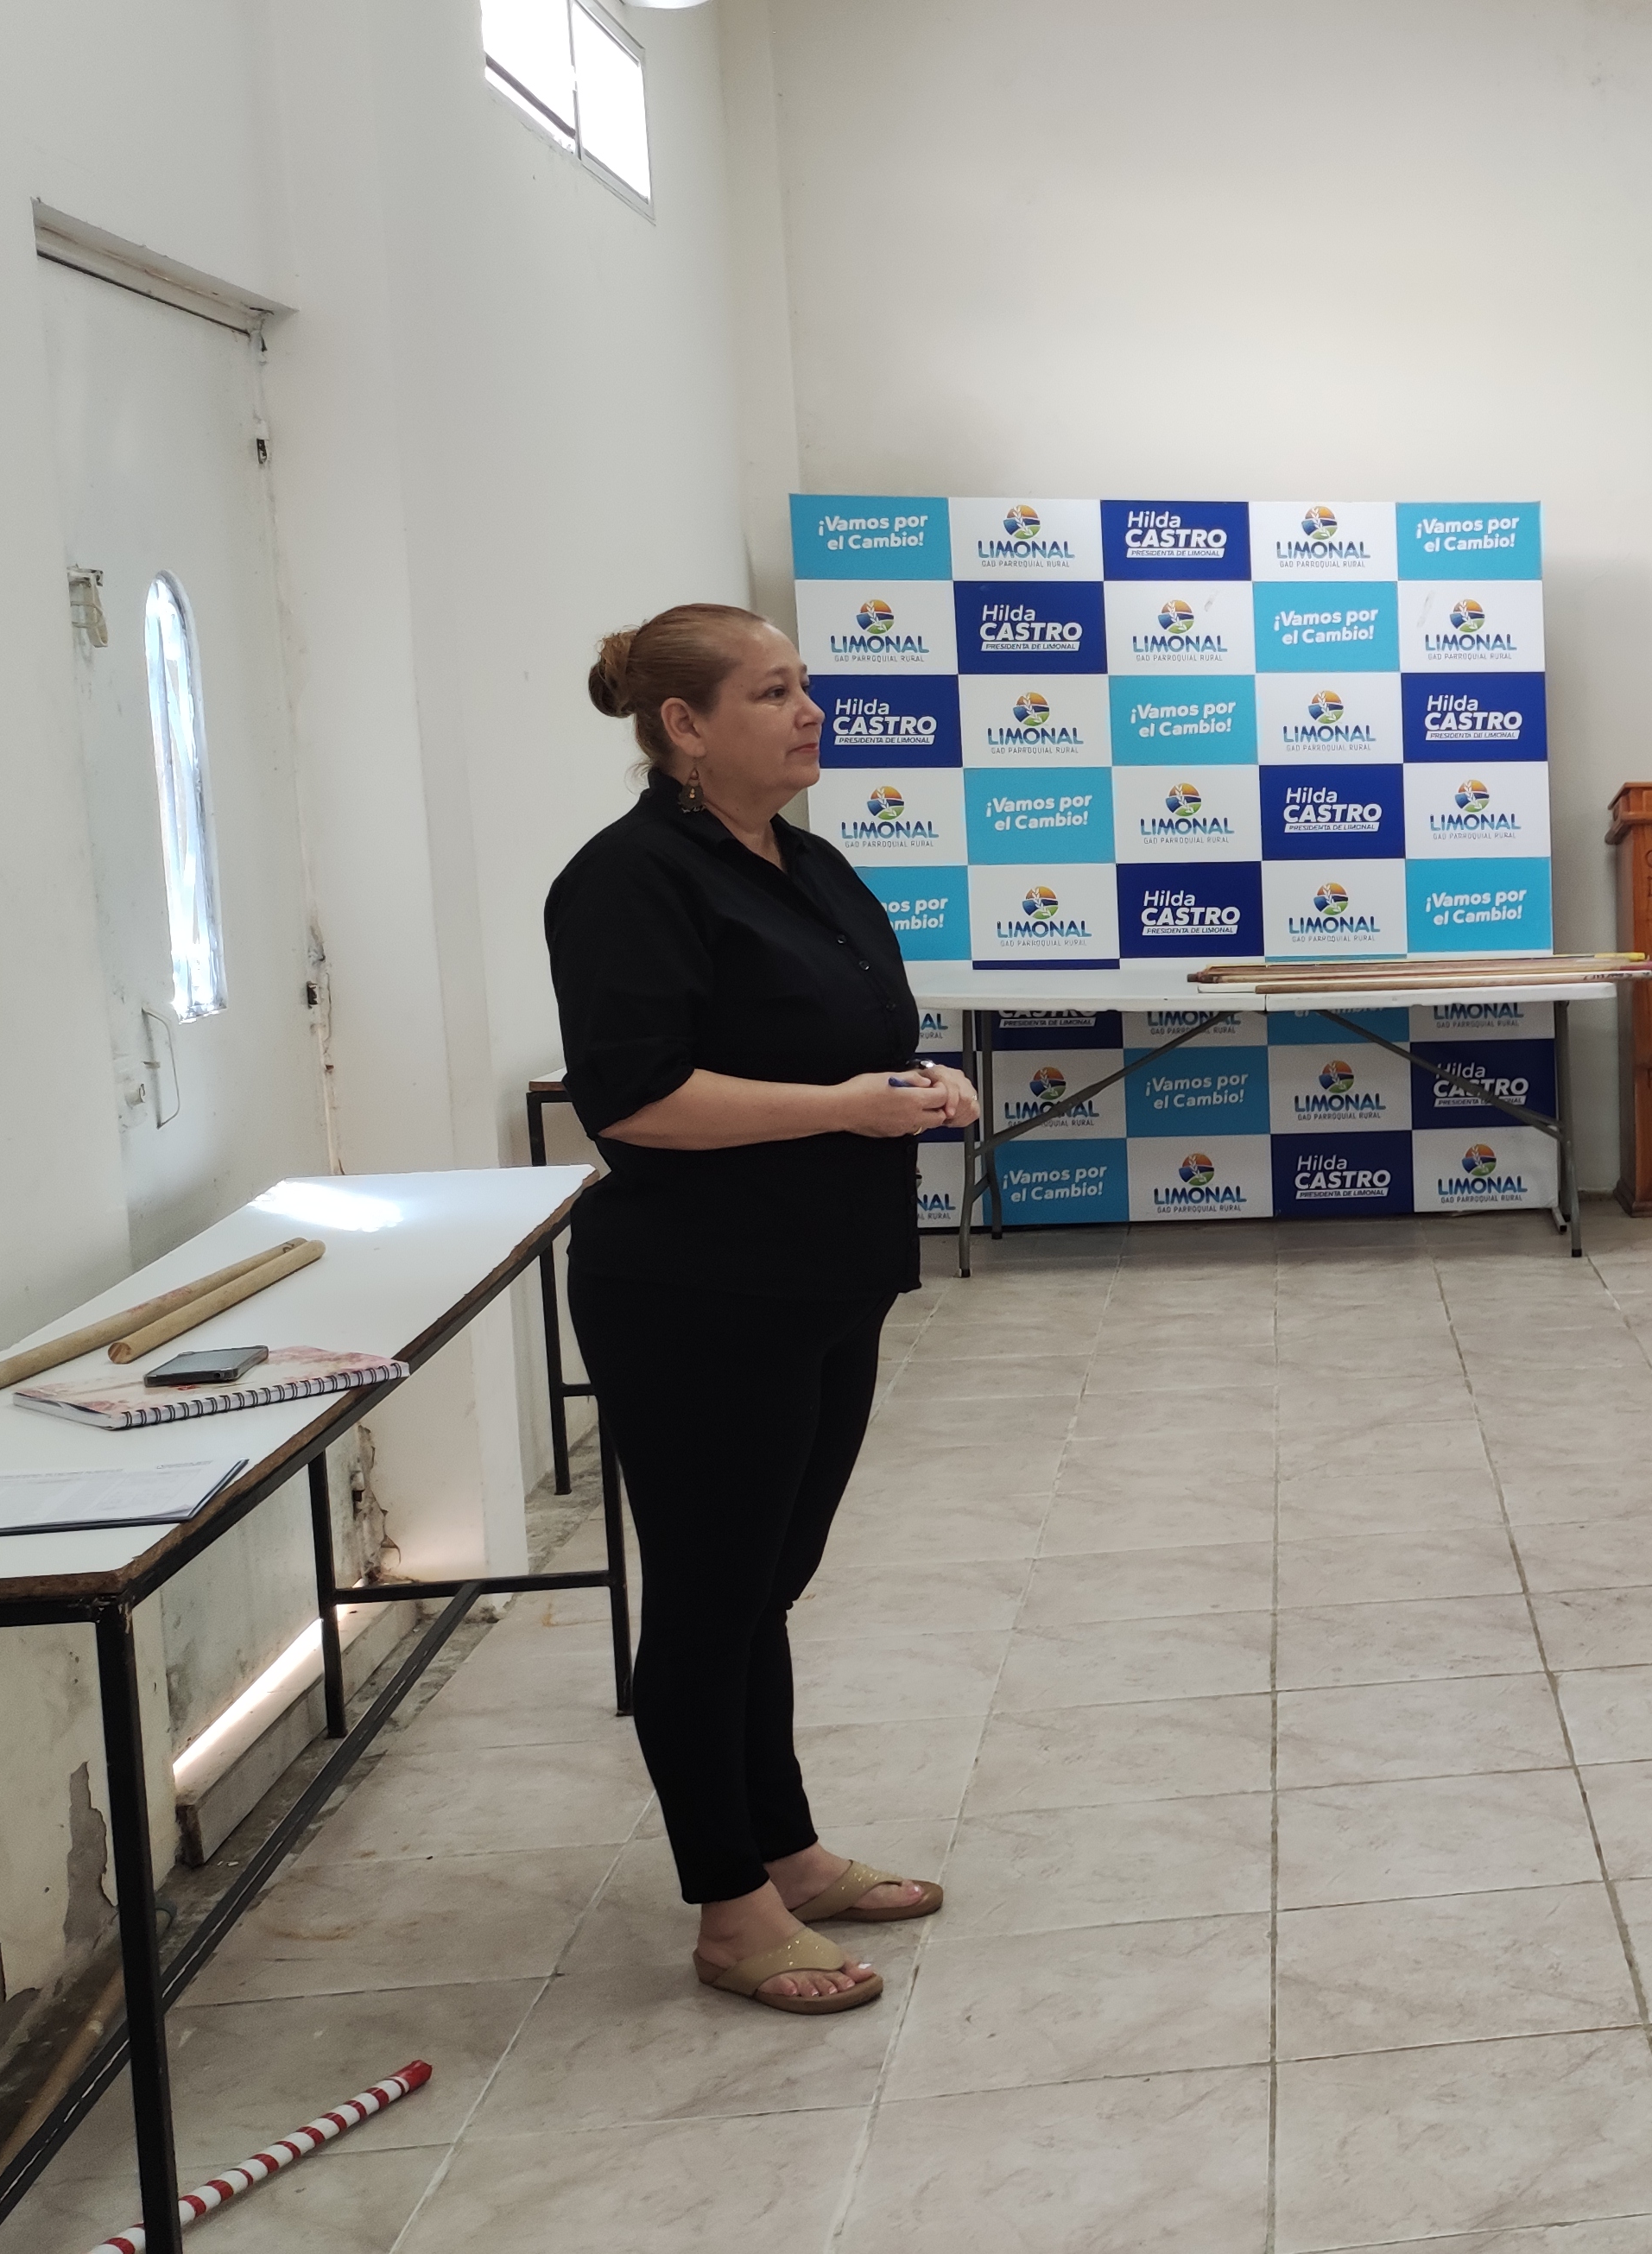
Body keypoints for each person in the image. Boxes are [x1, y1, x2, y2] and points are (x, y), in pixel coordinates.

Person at [546, 602, 978, 2016]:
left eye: (807, 686)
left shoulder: (806, 860)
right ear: (683, 726)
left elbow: (843, 1040)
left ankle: (786, 1852)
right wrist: (848, 1107)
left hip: (823, 1278)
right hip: (697, 1294)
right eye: (774, 691)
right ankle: (730, 1910)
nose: (810, 712)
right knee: (710, 1598)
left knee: (765, 1583)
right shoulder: (628, 881)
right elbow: (637, 1100)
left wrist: (914, 1085)